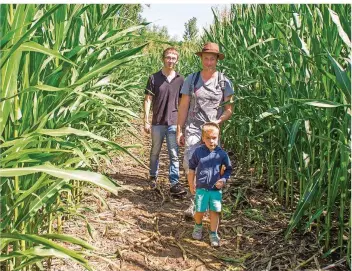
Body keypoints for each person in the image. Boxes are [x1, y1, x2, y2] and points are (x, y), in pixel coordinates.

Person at [176, 42, 234, 215]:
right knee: (190, 162)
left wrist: (218, 121)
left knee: (211, 166)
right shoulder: (191, 79)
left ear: (217, 60)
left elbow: (229, 109)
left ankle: (207, 202)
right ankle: (193, 201)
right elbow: (184, 105)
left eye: (212, 59)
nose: (209, 62)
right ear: (201, 58)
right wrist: (180, 129)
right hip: (193, 127)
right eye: (206, 58)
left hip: (212, 131)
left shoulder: (224, 82)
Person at [144, 47, 186, 195]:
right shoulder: (154, 78)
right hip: (157, 122)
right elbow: (148, 99)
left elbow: (183, 103)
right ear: (163, 58)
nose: (170, 60)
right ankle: (153, 177)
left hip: (173, 122)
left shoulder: (180, 79)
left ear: (177, 60)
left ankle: (174, 182)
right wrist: (146, 120)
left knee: (174, 153)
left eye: (173, 58)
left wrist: (182, 124)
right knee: (155, 151)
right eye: (168, 57)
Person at [188, 122, 232, 247]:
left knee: (215, 211)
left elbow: (228, 169)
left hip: (215, 190)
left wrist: (223, 180)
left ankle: (213, 233)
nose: (211, 141)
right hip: (201, 188)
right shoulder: (198, 152)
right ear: (203, 138)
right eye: (208, 138)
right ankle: (198, 226)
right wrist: (191, 184)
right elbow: (191, 168)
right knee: (199, 210)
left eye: (214, 138)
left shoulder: (222, 154)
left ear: (218, 137)